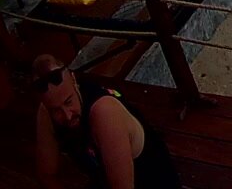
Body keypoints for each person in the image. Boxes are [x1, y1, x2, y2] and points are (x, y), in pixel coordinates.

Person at [32, 55, 182, 189]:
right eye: (56, 110)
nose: (67, 115)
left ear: (74, 80)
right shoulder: (46, 112)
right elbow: (46, 175)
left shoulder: (105, 114)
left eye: (69, 102)